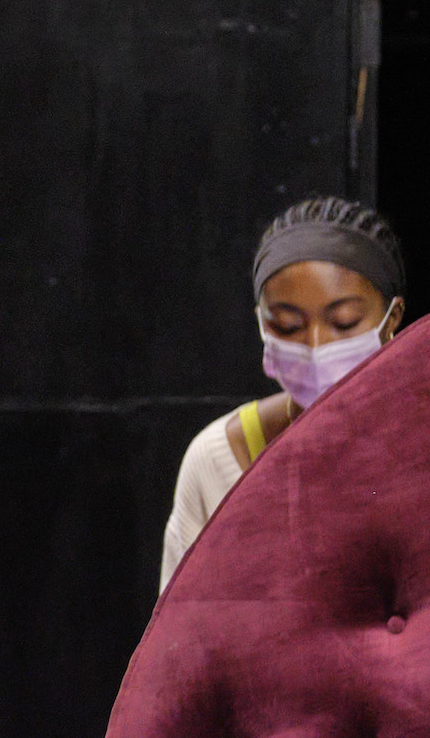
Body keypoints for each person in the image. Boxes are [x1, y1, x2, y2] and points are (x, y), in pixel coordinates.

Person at [158, 197, 407, 591]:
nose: (316, 346)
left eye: (344, 323)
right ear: (261, 324)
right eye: (289, 326)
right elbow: (181, 641)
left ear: (391, 318)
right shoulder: (217, 460)